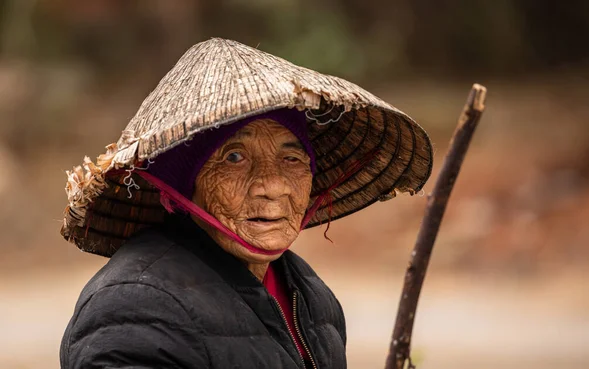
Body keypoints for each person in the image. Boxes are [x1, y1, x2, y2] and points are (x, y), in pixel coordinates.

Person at [59, 38, 433, 369]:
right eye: (234, 158)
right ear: (181, 186)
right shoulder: (136, 308)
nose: (272, 186)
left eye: (291, 158)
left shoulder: (312, 296)